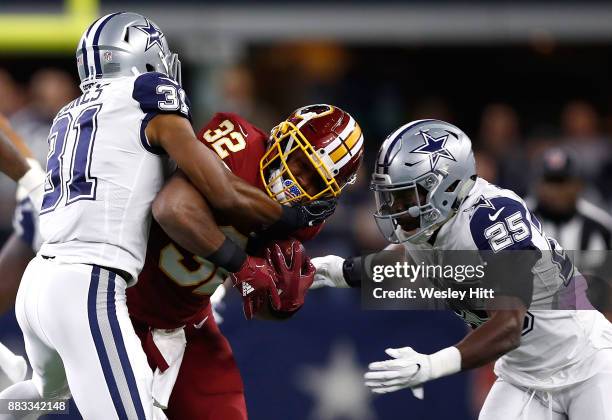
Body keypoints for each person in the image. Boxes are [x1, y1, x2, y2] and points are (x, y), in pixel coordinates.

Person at [0, 13, 333, 420]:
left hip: (39, 282)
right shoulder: (147, 92)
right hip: (88, 284)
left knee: (40, 396)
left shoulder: (70, 113)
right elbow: (220, 188)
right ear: (142, 56)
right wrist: (286, 217)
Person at [312, 119, 612, 419]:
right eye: (390, 197)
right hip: (524, 375)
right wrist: (336, 271)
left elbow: (509, 326)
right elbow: (402, 261)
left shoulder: (490, 217)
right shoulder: (428, 224)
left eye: (404, 196)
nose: (394, 209)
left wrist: (432, 365)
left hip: (585, 361)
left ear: (445, 186)